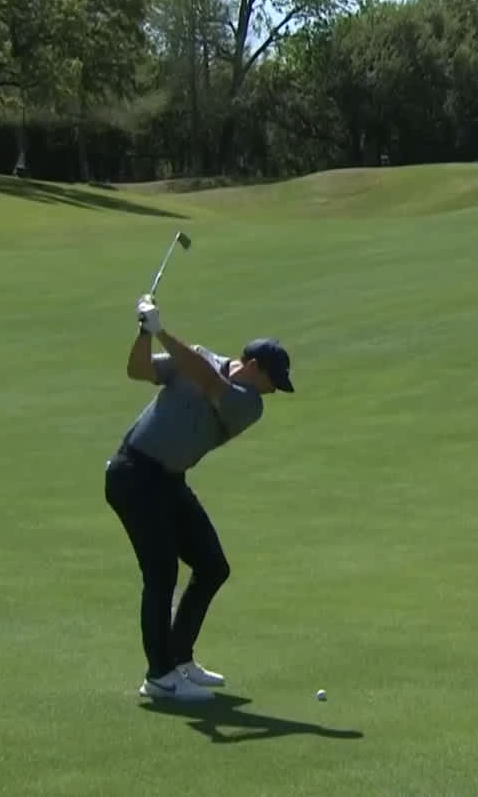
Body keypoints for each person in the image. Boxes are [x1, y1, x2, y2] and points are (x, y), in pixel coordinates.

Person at [104, 292, 295, 702]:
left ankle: (179, 659)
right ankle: (159, 676)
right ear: (255, 367)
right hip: (133, 475)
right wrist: (144, 333)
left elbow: (210, 382)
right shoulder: (200, 359)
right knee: (161, 574)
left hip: (168, 482)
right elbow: (137, 369)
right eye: (272, 381)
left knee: (212, 566)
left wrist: (162, 332)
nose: (274, 391)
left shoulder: (248, 405)